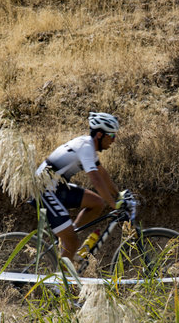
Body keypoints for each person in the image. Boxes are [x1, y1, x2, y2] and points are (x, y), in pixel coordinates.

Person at [36, 112, 123, 263]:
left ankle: (67, 239)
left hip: (56, 187)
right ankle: (58, 285)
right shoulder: (86, 147)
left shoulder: (88, 147)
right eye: (112, 136)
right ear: (100, 135)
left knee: (97, 203)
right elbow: (96, 179)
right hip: (43, 190)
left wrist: (118, 195)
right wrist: (114, 204)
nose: (113, 140)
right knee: (73, 243)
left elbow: (102, 173)